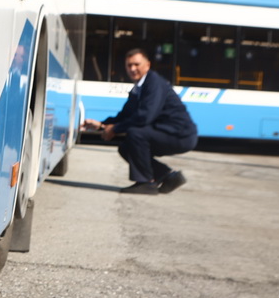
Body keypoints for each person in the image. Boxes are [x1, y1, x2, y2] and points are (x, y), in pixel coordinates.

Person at [83, 48, 197, 195]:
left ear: (147, 65)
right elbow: (125, 115)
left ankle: (146, 183)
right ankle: (166, 176)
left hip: (180, 135)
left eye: (136, 64)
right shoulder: (139, 87)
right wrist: (101, 125)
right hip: (166, 131)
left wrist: (115, 129)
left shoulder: (154, 83)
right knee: (126, 147)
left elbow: (145, 116)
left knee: (136, 134)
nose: (132, 69)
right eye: (129, 65)